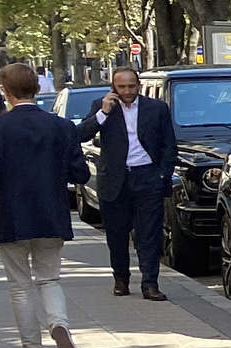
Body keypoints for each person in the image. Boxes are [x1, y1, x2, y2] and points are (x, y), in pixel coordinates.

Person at [0, 61, 89, 348]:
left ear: (6, 92)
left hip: (9, 217)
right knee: (49, 278)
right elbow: (81, 172)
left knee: (20, 285)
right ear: (37, 89)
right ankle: (59, 325)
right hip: (51, 214)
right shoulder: (61, 127)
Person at [74, 66, 175, 300]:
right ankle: (121, 279)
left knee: (148, 234)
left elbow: (169, 144)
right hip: (115, 179)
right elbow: (80, 135)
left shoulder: (156, 108)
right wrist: (103, 113)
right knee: (117, 234)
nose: (127, 91)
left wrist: (163, 176)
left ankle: (150, 284)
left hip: (147, 177)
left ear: (138, 85)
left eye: (131, 86)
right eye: (122, 87)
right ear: (113, 87)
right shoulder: (102, 105)